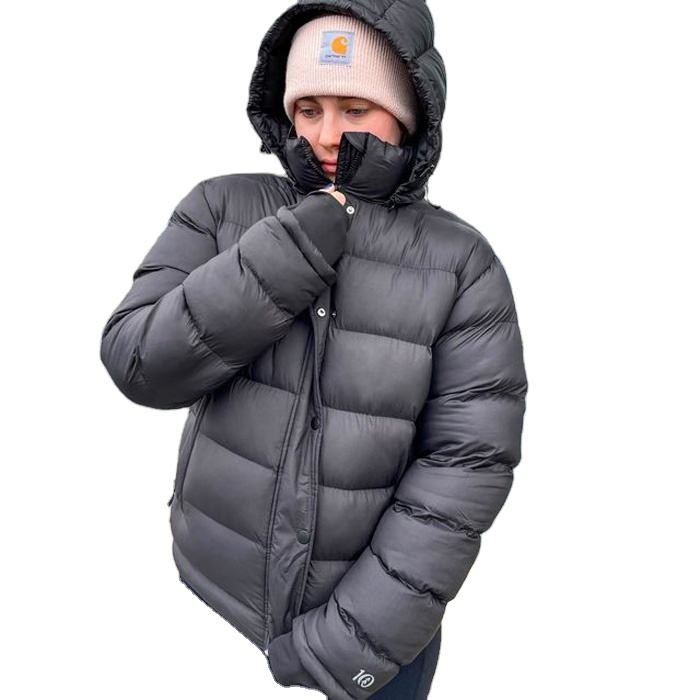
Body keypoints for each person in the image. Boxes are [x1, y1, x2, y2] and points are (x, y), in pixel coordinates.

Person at [100, 2, 528, 699]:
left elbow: (467, 463)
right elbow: (139, 363)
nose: (327, 135)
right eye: (308, 109)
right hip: (210, 605)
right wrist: (284, 253)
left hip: (377, 634)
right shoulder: (220, 211)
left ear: (408, 112)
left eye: (356, 108)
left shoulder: (461, 263)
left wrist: (352, 640)